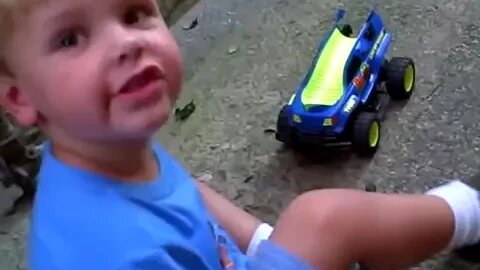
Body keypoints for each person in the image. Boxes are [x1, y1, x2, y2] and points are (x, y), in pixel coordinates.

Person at [0, 0, 478, 269]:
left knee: (207, 197)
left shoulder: (106, 149)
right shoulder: (106, 255)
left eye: (132, 13)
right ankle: (469, 211)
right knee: (324, 219)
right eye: (69, 39)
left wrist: (263, 242)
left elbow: (187, 196)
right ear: (20, 99)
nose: (126, 43)